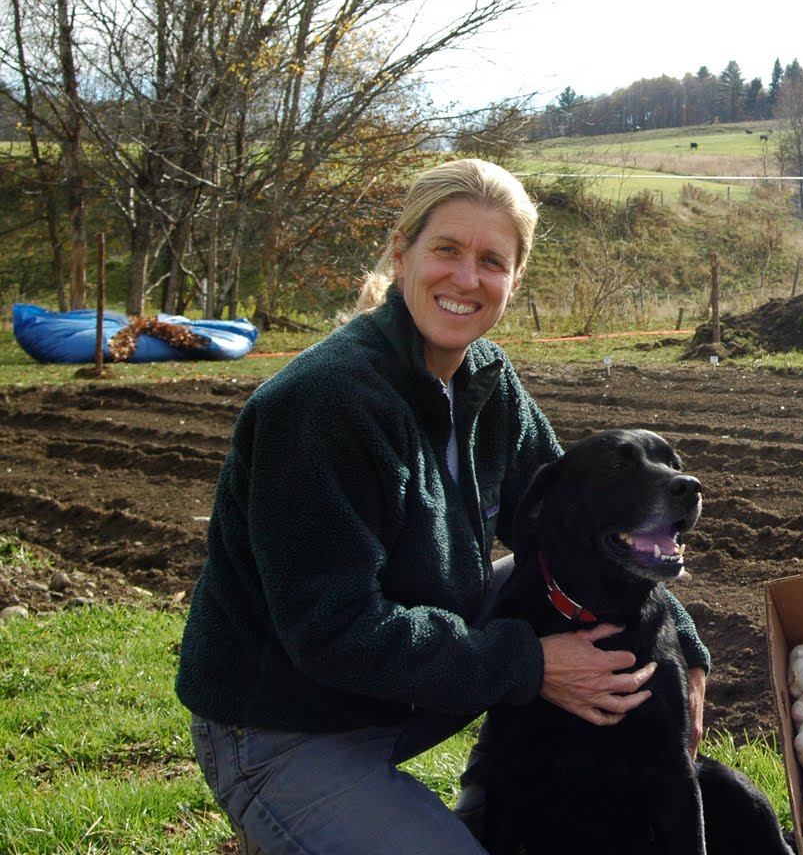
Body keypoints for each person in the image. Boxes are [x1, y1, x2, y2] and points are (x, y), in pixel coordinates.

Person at [175, 158, 711, 853]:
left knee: (551, 577)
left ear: (515, 280)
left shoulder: (488, 380)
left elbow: (581, 520)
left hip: (398, 687)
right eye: (447, 251)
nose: (467, 280)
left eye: (493, 260)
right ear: (402, 255)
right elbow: (331, 630)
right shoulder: (325, 404)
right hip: (284, 722)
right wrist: (531, 665)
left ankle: (497, 781)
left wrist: (684, 647)